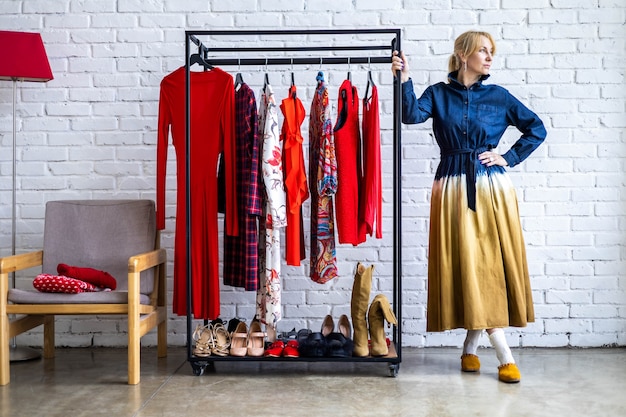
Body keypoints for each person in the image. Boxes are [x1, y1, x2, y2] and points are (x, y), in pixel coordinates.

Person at [391, 30, 546, 383]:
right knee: (467, 261)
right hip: (451, 187)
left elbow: (536, 128)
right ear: (463, 55)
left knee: (487, 263)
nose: (489, 57)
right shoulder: (438, 94)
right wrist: (405, 79)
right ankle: (470, 349)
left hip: (490, 187)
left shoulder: (499, 97)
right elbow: (410, 115)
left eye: (492, 52)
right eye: (483, 51)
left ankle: (501, 353)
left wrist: (507, 157)